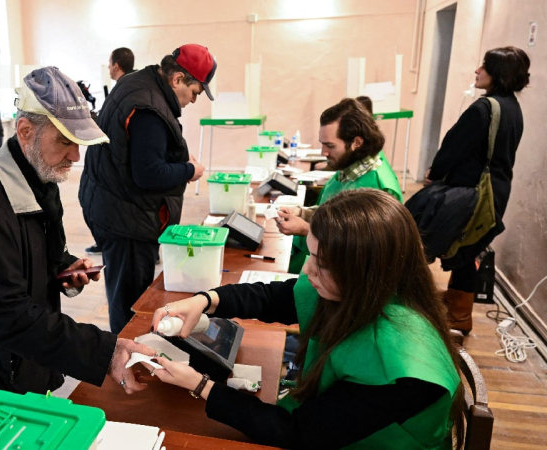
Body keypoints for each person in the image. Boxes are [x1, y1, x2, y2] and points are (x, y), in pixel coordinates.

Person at [146, 189, 465, 449]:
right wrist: (205, 300)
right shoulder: (367, 288)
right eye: (311, 255)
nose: (308, 271)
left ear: (365, 272)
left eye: (322, 263)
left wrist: (200, 384)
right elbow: (273, 298)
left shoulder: (401, 372)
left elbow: (297, 433)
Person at [0, 66, 154, 408]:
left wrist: (61, 268)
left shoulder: (37, 179)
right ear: (24, 130)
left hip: (23, 357)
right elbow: (9, 317)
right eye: (65, 141)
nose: (76, 156)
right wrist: (106, 352)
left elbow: (27, 251)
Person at [79, 44, 212, 334]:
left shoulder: (139, 83)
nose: (192, 101)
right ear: (177, 79)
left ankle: (125, 354)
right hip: (126, 218)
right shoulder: (149, 108)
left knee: (123, 294)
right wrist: (191, 171)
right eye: (194, 93)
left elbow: (141, 154)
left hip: (113, 205)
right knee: (130, 302)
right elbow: (148, 174)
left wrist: (177, 159)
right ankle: (124, 363)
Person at [425, 46, 529, 334]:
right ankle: (457, 307)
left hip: (473, 192)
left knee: (434, 239)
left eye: (484, 66)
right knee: (468, 249)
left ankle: (458, 316)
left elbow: (454, 146)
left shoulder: (484, 108)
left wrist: (434, 174)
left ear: (498, 74)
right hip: (496, 191)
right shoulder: (512, 108)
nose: (477, 70)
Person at [279, 98, 402, 274]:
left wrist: (306, 230)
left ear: (356, 143)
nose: (323, 152)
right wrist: (301, 212)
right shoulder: (348, 167)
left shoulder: (379, 188)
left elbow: (362, 250)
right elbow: (329, 212)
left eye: (330, 145)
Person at [86, 47, 136, 256]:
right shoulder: (128, 89)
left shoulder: (127, 91)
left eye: (109, 64)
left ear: (116, 66)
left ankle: (107, 242)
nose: (108, 68)